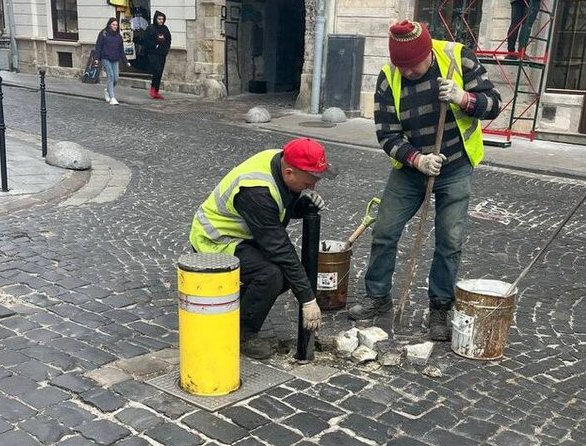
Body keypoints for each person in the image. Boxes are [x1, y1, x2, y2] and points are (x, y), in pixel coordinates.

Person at [347, 20, 501, 341]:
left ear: (427, 52)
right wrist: (418, 159)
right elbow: (386, 134)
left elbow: (494, 105)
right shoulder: (389, 78)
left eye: (412, 66)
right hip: (410, 170)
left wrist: (463, 98)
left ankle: (440, 308)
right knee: (385, 230)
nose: (406, 72)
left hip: (456, 166)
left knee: (449, 241)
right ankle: (378, 296)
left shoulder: (460, 59)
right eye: (400, 66)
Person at [189, 138, 334, 359]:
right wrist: (307, 299)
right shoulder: (256, 190)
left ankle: (232, 310)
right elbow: (278, 247)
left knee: (286, 274)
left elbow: (280, 206)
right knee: (270, 274)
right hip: (216, 239)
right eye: (308, 182)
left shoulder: (282, 160)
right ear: (289, 173)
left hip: (246, 235)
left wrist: (301, 206)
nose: (313, 187)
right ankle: (242, 333)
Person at [95, 18, 130, 105]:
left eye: (116, 25)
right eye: (113, 24)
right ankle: (112, 98)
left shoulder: (118, 36)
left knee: (116, 78)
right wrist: (96, 58)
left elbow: (121, 50)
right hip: (105, 57)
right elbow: (98, 46)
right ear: (109, 24)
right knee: (110, 76)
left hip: (115, 58)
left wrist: (126, 61)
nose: (115, 26)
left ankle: (107, 90)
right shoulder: (103, 33)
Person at [143, 10, 171, 99]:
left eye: (162, 19)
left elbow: (168, 39)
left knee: (160, 73)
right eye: (159, 19)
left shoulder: (165, 29)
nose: (161, 21)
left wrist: (166, 49)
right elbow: (146, 40)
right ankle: (153, 89)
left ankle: (156, 91)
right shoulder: (150, 28)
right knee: (157, 70)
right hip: (153, 53)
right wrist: (155, 46)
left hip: (162, 53)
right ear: (156, 19)